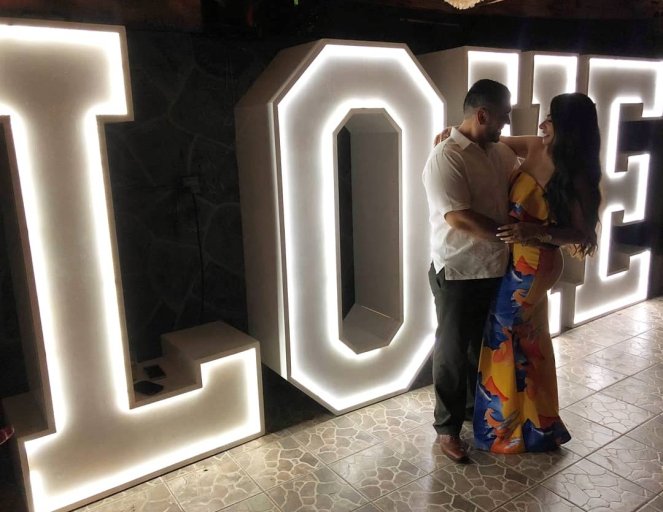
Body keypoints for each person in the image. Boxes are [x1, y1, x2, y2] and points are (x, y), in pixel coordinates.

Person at [473, 92, 602, 453]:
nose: (543, 124)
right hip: (514, 258)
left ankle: (506, 430)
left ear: (569, 129)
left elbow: (581, 233)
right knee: (528, 341)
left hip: (536, 262)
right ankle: (537, 426)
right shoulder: (533, 145)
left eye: (551, 119)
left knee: (503, 334)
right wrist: (453, 133)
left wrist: (537, 231)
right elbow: (489, 138)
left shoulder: (576, 174)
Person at [422, 79, 517, 463]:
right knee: (450, 353)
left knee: (482, 349)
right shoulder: (446, 156)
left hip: (495, 268)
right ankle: (447, 429)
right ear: (482, 115)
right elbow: (458, 217)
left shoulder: (499, 151)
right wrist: (511, 235)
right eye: (503, 116)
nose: (507, 123)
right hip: (458, 271)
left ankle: (473, 413)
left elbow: (533, 147)